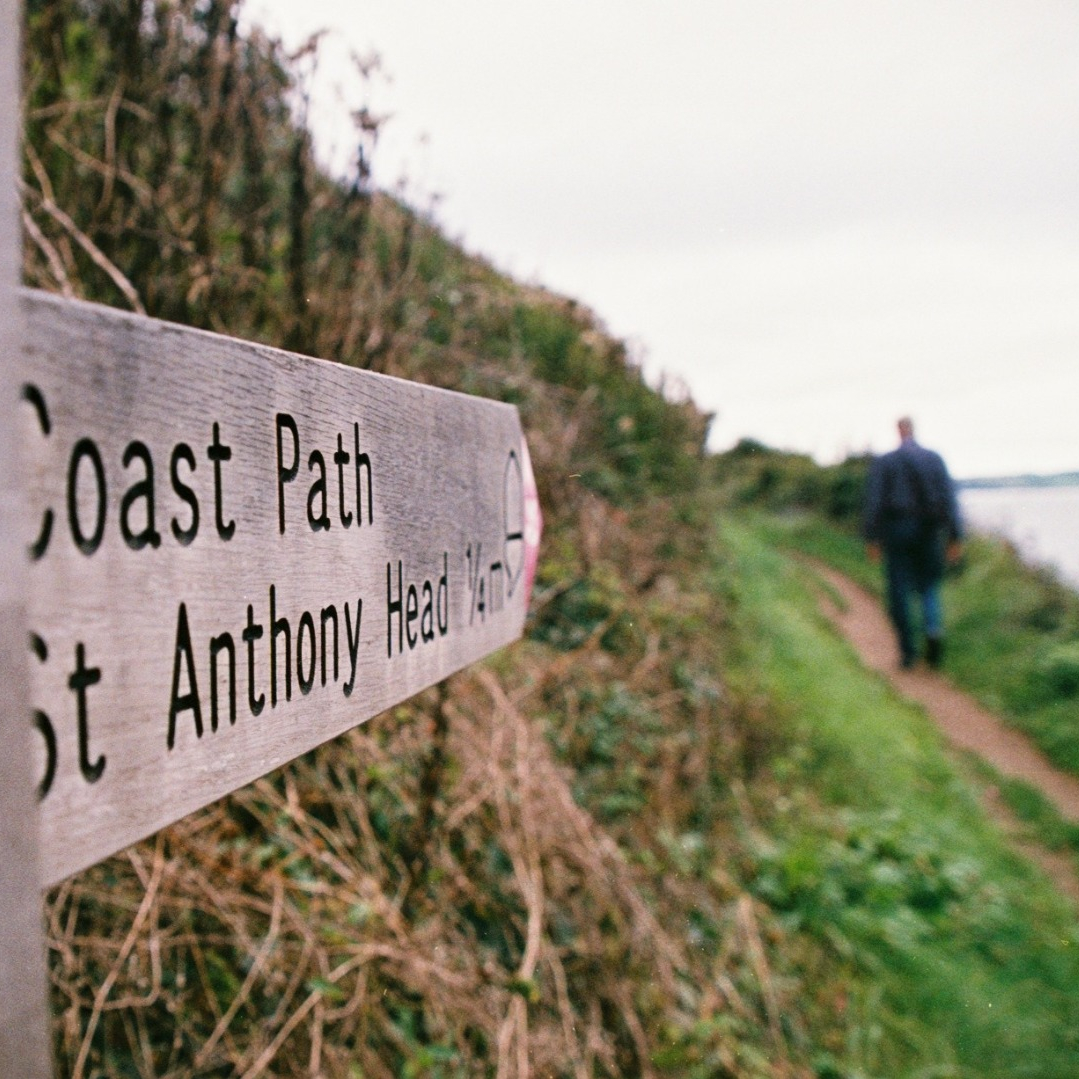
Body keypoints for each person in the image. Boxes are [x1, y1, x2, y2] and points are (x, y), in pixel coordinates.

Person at [863, 417, 962, 669]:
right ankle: (933, 632)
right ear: (914, 430)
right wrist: (955, 536)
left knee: (899, 591)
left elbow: (874, 501)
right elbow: (949, 498)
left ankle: (908, 652)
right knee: (929, 586)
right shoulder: (934, 459)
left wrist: (872, 537)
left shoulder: (886, 462)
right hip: (929, 532)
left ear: (898, 431)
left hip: (897, 531)